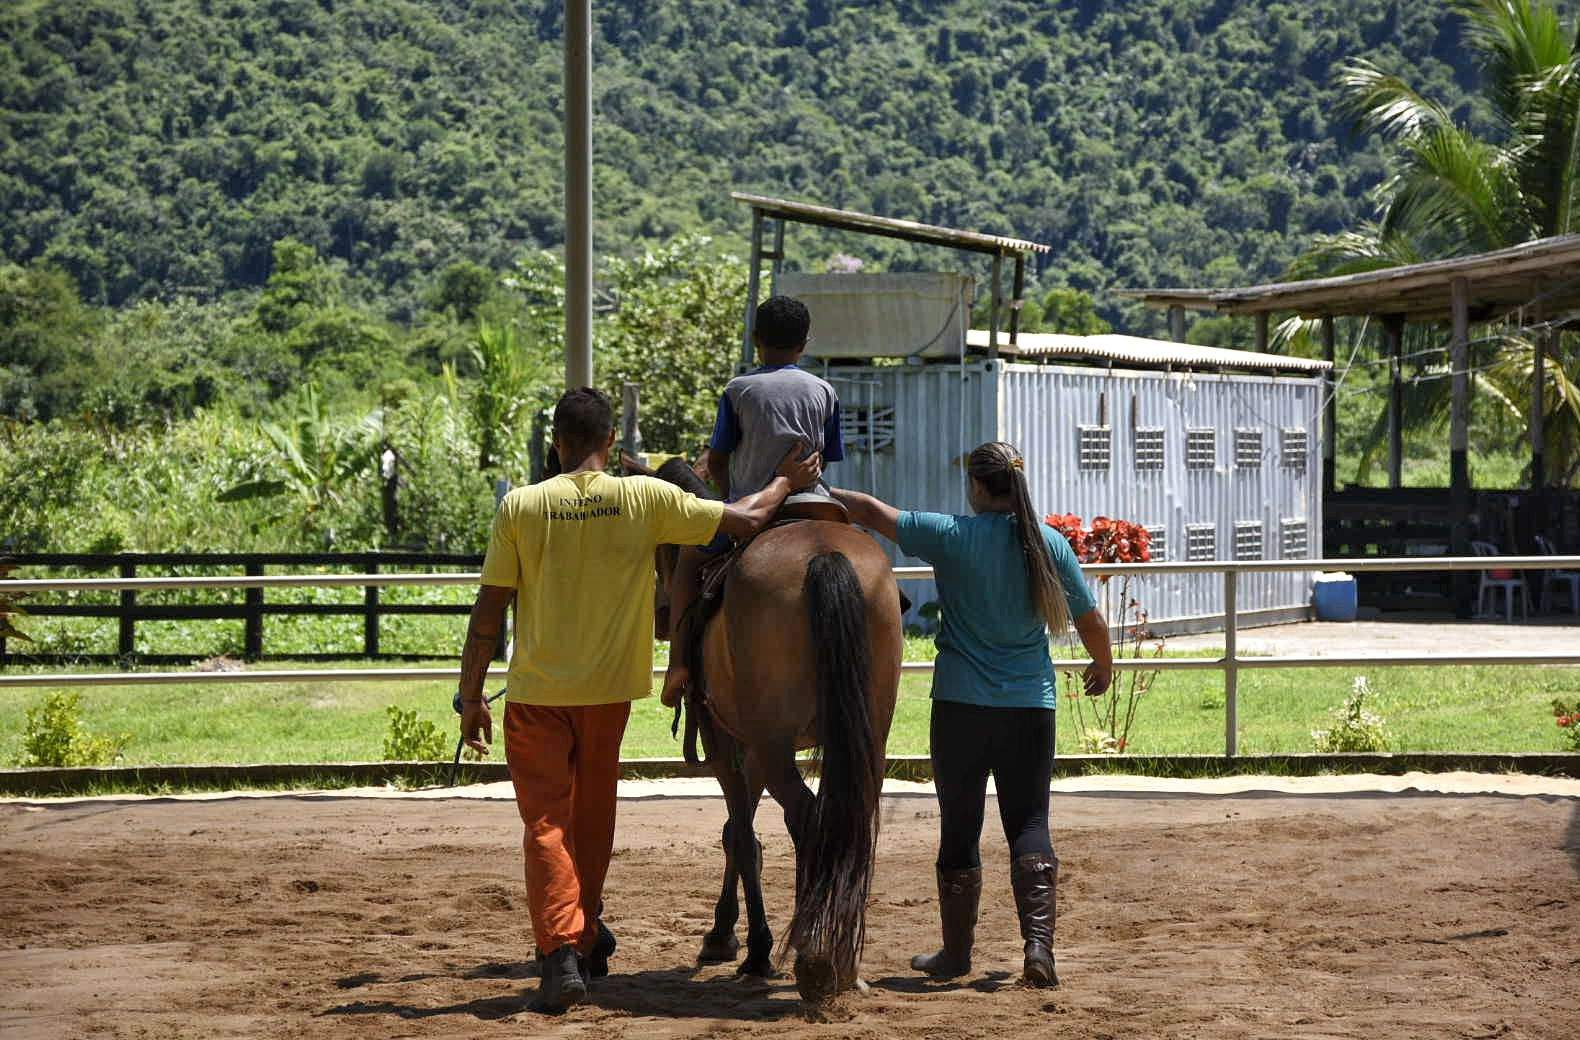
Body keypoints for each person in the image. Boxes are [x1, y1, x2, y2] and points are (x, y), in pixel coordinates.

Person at [457, 387, 821, 1012]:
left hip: (538, 695)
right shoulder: (645, 496)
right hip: (608, 696)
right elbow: (747, 520)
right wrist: (786, 482)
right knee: (593, 820)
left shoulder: (520, 506)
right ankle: (585, 932)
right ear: (611, 446)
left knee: (547, 825)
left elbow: (488, 613)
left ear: (557, 445)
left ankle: (560, 954)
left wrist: (470, 696)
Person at [830, 441, 1112, 989]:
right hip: (1030, 705)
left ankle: (956, 956)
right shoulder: (1048, 542)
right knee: (1029, 823)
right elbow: (1091, 619)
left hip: (960, 706)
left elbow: (867, 511)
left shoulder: (951, 535)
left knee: (960, 825)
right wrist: (1103, 666)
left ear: (980, 487)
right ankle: (1038, 950)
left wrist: (813, 485)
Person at [659, 294, 844, 707]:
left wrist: (730, 495)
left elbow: (719, 458)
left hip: (756, 509)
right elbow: (827, 458)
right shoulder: (825, 391)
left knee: (689, 558)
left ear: (756, 339)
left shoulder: (738, 390)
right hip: (814, 501)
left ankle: (677, 667)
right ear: (805, 342)